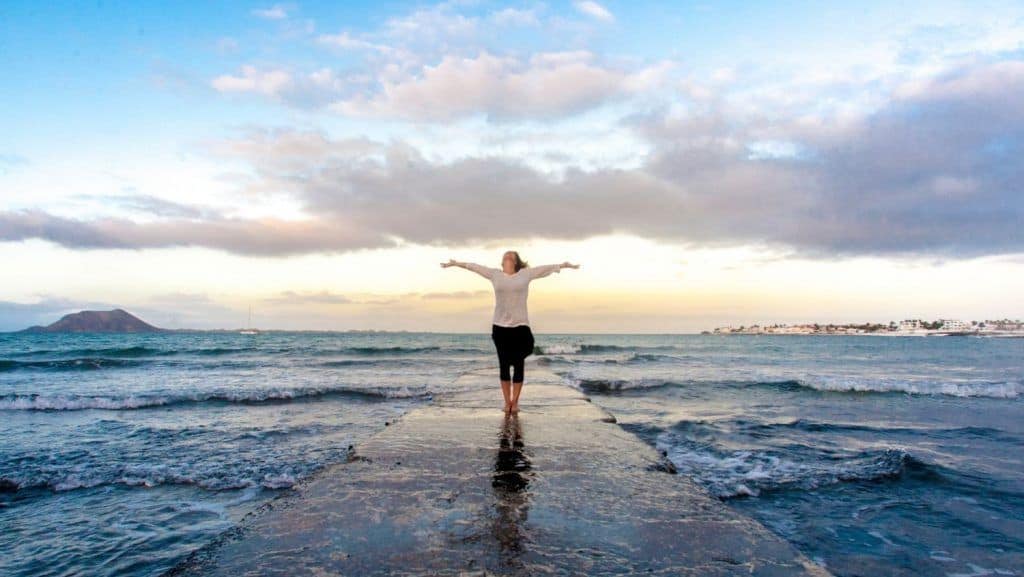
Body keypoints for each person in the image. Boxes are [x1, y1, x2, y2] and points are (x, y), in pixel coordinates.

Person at [442, 251, 580, 413]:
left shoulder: (525, 274)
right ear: (502, 262)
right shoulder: (495, 274)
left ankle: (516, 402)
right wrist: (456, 263)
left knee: (519, 363)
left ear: (515, 261)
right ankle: (507, 402)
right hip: (500, 327)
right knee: (504, 365)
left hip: (521, 326)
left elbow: (545, 269)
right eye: (505, 256)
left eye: (510, 256)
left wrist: (563, 266)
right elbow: (475, 267)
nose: (507, 257)